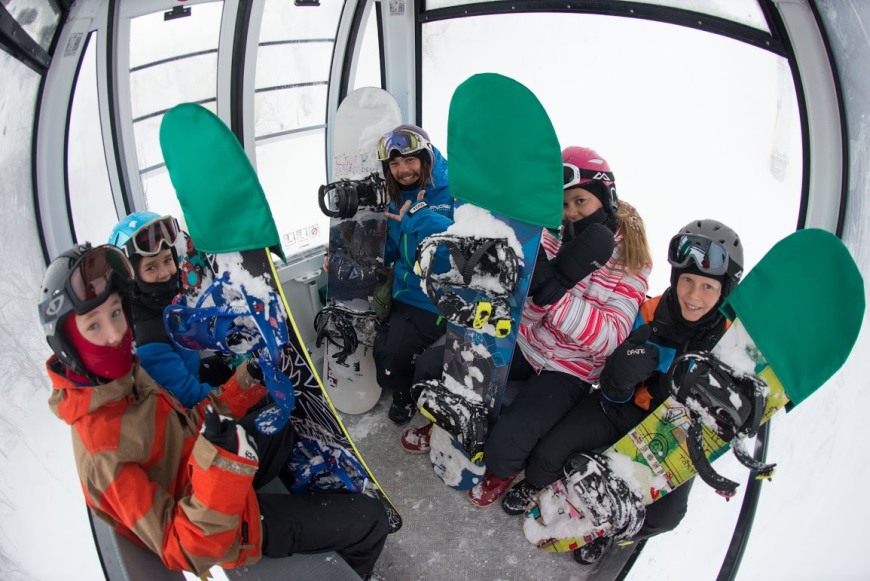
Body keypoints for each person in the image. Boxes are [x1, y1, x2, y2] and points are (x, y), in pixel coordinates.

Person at [39, 243, 389, 578]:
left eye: (116, 313)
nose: (115, 334)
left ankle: (310, 510)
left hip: (206, 471)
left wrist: (247, 381)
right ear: (68, 344)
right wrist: (225, 466)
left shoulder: (126, 382)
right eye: (93, 325)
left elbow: (189, 425)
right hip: (224, 528)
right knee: (372, 519)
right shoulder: (103, 452)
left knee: (283, 420)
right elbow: (184, 548)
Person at [401, 146, 652, 491]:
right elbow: (523, 306)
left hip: (570, 368)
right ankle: (449, 423)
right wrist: (529, 289)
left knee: (505, 449)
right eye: (563, 204)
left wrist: (556, 298)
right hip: (525, 340)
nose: (571, 212)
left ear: (605, 198)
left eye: (580, 201)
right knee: (438, 365)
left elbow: (610, 338)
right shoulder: (551, 235)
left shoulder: (633, 260)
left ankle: (500, 471)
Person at [499, 219, 745, 566]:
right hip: (622, 408)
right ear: (675, 278)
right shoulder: (650, 312)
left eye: (707, 287)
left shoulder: (728, 343)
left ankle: (608, 530)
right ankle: (536, 484)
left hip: (675, 431)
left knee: (666, 517)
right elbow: (610, 386)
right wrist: (620, 376)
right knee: (545, 460)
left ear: (724, 292)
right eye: (688, 281)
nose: (693, 295)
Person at [108, 211, 234, 408]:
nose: (165, 273)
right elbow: (191, 398)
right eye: (151, 267)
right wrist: (246, 388)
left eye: (167, 260)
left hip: (195, 379)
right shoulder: (147, 339)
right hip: (194, 415)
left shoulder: (165, 305)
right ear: (131, 278)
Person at [372, 124, 455, 425]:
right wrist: (352, 257)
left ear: (425, 158)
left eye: (409, 160)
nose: (403, 170)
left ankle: (404, 394)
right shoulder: (396, 195)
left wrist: (420, 216)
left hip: (438, 296)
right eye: (394, 163)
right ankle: (401, 376)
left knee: (393, 358)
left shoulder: (454, 190)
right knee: (383, 352)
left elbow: (453, 256)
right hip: (406, 289)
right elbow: (391, 249)